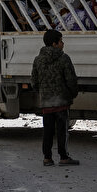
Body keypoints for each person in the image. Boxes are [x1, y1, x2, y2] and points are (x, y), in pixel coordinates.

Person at [32, 29, 79, 166]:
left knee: (47, 131)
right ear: (54, 44)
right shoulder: (64, 58)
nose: (63, 44)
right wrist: (72, 93)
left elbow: (34, 82)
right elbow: (71, 80)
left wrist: (42, 93)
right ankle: (63, 157)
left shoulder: (38, 60)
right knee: (62, 131)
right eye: (60, 41)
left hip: (46, 102)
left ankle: (47, 158)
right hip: (61, 101)